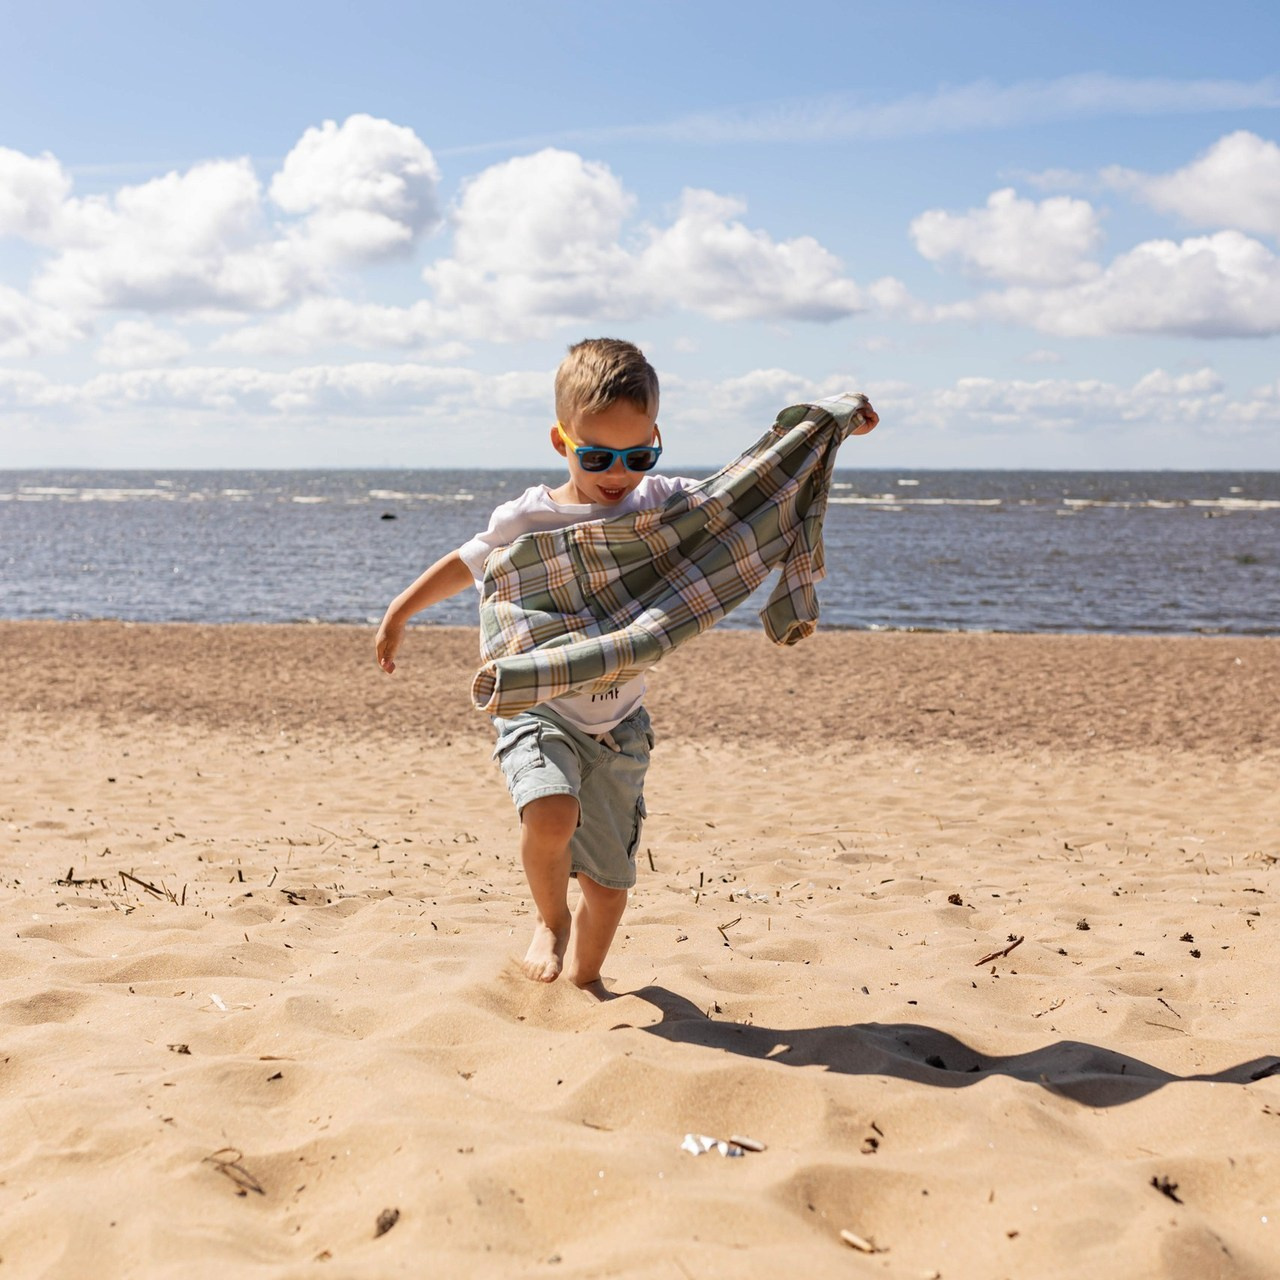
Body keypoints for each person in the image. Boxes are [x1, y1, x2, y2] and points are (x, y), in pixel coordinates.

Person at [375, 338, 877, 990]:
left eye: (638, 455)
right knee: (550, 814)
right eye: (598, 456)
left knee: (609, 890)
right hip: (542, 703)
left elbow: (751, 494)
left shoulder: (661, 506)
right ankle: (549, 919)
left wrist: (834, 423)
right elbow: (468, 566)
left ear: (657, 440)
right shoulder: (532, 517)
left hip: (620, 727)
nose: (619, 472)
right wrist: (399, 612)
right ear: (561, 442)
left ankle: (584, 985)